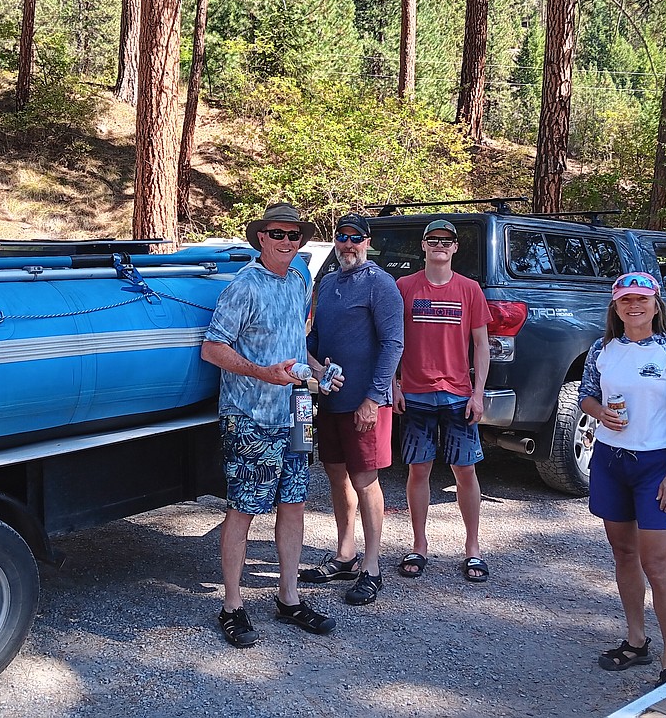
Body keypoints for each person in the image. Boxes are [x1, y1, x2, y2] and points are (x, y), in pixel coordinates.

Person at [201, 202, 337, 648]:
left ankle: (289, 598)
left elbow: (296, 347)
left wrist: (320, 371)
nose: (287, 242)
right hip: (251, 417)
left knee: (294, 504)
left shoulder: (299, 281)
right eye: (277, 234)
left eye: (294, 235)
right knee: (243, 509)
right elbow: (213, 348)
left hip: (295, 414)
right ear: (261, 237)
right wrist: (263, 373)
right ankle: (232, 606)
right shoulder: (244, 286)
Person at [578, 272, 666, 689]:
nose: (634, 306)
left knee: (657, 564)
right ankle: (636, 639)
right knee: (624, 554)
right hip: (611, 461)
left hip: (657, 465)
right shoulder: (602, 349)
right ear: (615, 306)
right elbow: (586, 395)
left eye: (642, 299)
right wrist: (599, 413)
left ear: (656, 303)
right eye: (626, 300)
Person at [300, 213, 404, 606]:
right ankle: (345, 555)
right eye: (342, 237)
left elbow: (394, 344)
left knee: (366, 481)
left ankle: (372, 567)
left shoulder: (380, 284)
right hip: (331, 402)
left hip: (366, 405)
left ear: (367, 241)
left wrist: (373, 399)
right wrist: (314, 367)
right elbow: (316, 338)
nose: (348, 244)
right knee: (337, 477)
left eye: (355, 238)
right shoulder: (327, 283)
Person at [393, 219, 492, 583]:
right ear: (423, 246)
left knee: (465, 472)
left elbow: (481, 346)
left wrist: (478, 393)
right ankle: (419, 546)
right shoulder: (404, 287)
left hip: (458, 397)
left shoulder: (470, 290)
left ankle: (473, 549)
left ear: (454, 248)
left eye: (446, 241)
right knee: (419, 470)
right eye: (433, 240)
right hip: (416, 395)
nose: (439, 246)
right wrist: (394, 384)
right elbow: (392, 339)